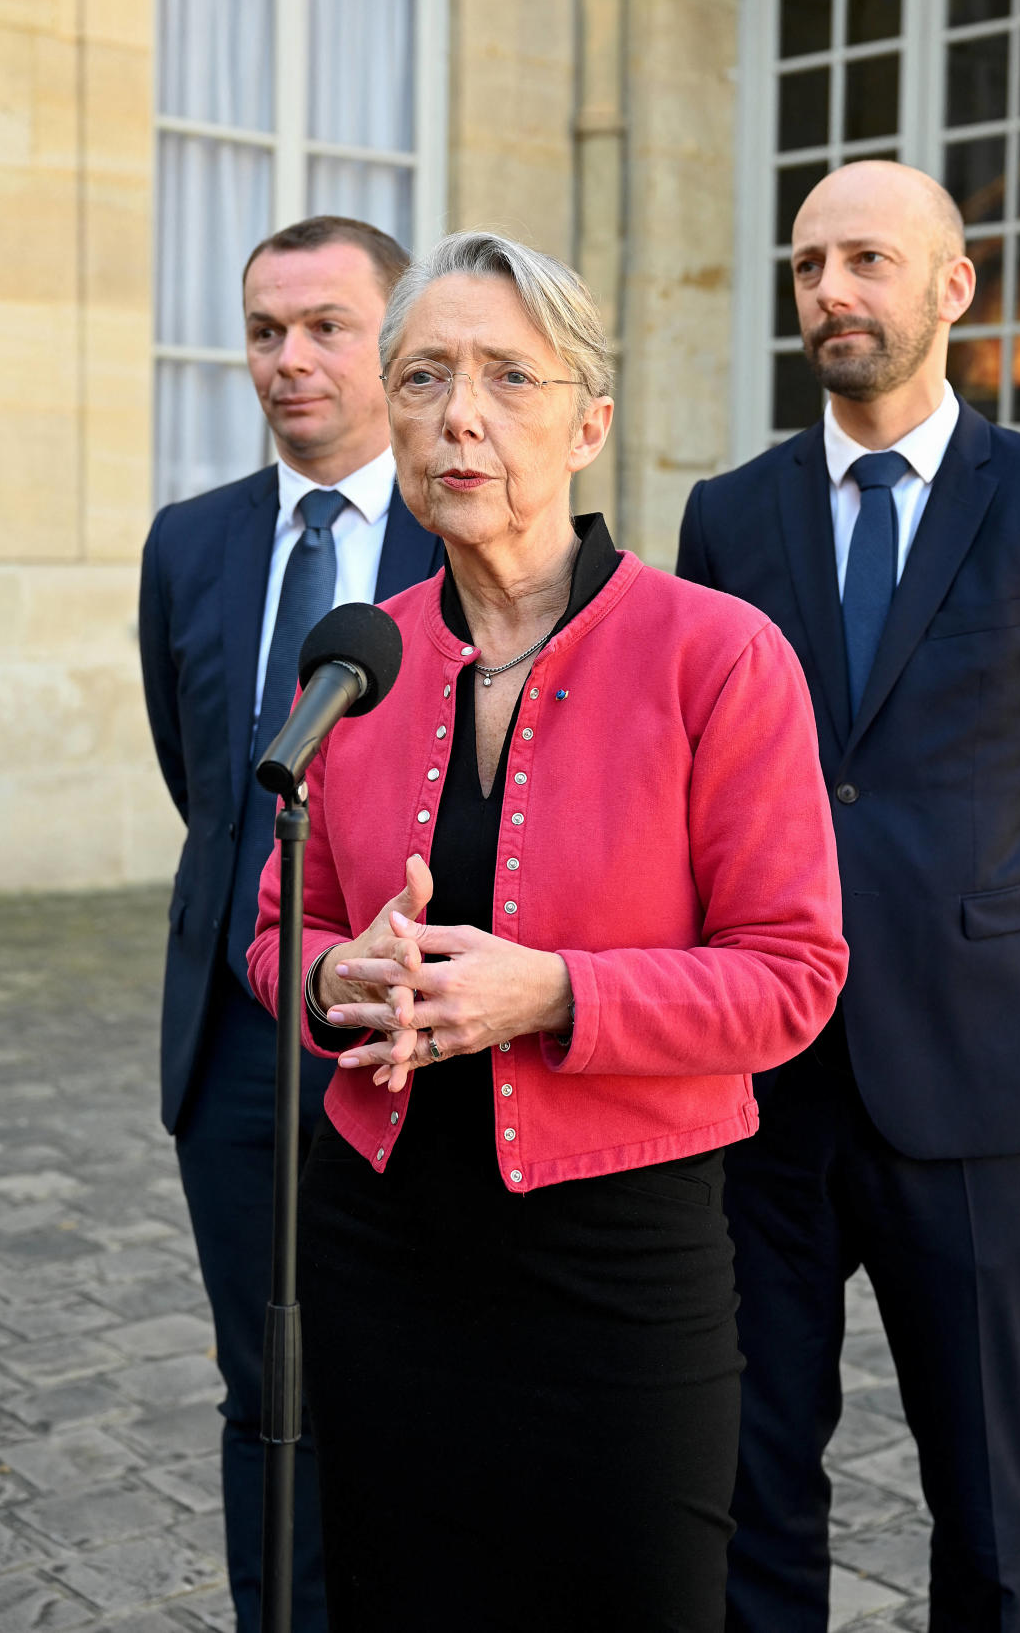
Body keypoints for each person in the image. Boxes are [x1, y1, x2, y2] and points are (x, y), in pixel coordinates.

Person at [246, 230, 849, 1633]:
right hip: (378, 1239)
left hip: (618, 1256)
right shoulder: (358, 653)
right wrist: (335, 974)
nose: (458, 415)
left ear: (587, 424)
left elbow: (791, 978)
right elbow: (283, 931)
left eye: (506, 377)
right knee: (398, 1597)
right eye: (421, 377)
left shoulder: (716, 653)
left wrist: (550, 995)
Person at [676, 161, 1020, 1633]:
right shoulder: (729, 516)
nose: (832, 290)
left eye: (868, 260)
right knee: (754, 1475)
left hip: (976, 1077)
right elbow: (693, 783)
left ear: (951, 286)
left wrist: (984, 947)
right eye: (810, 263)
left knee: (981, 1484)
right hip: (762, 1083)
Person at [138, 215, 442, 1633]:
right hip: (236, 1052)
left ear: (391, 344)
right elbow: (203, 782)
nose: (288, 360)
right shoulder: (188, 545)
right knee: (264, 1393)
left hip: (415, 1041)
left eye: (324, 327)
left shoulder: (470, 535)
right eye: (265, 331)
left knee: (414, 1384)